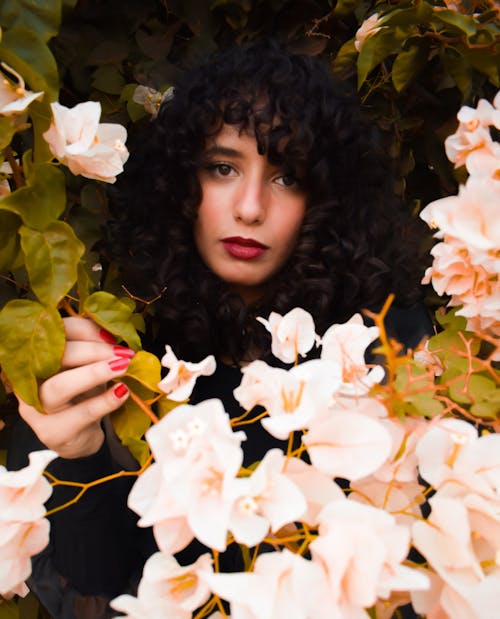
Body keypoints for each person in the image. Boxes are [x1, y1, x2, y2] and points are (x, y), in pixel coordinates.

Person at [8, 38, 432, 618]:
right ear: (183, 181)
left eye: (287, 177)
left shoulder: (385, 339)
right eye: (223, 168)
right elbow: (100, 582)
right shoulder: (124, 344)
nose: (251, 207)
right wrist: (79, 454)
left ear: (324, 200)